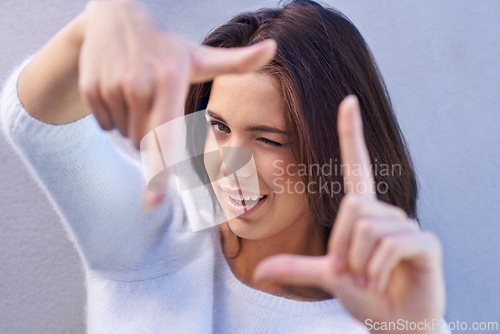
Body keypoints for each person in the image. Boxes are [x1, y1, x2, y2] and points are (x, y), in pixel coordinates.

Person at [0, 0, 450, 333]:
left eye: (268, 139)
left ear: (331, 152)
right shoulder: (161, 226)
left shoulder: (383, 309)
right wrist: (90, 32)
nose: (228, 165)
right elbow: (39, 128)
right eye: (217, 126)